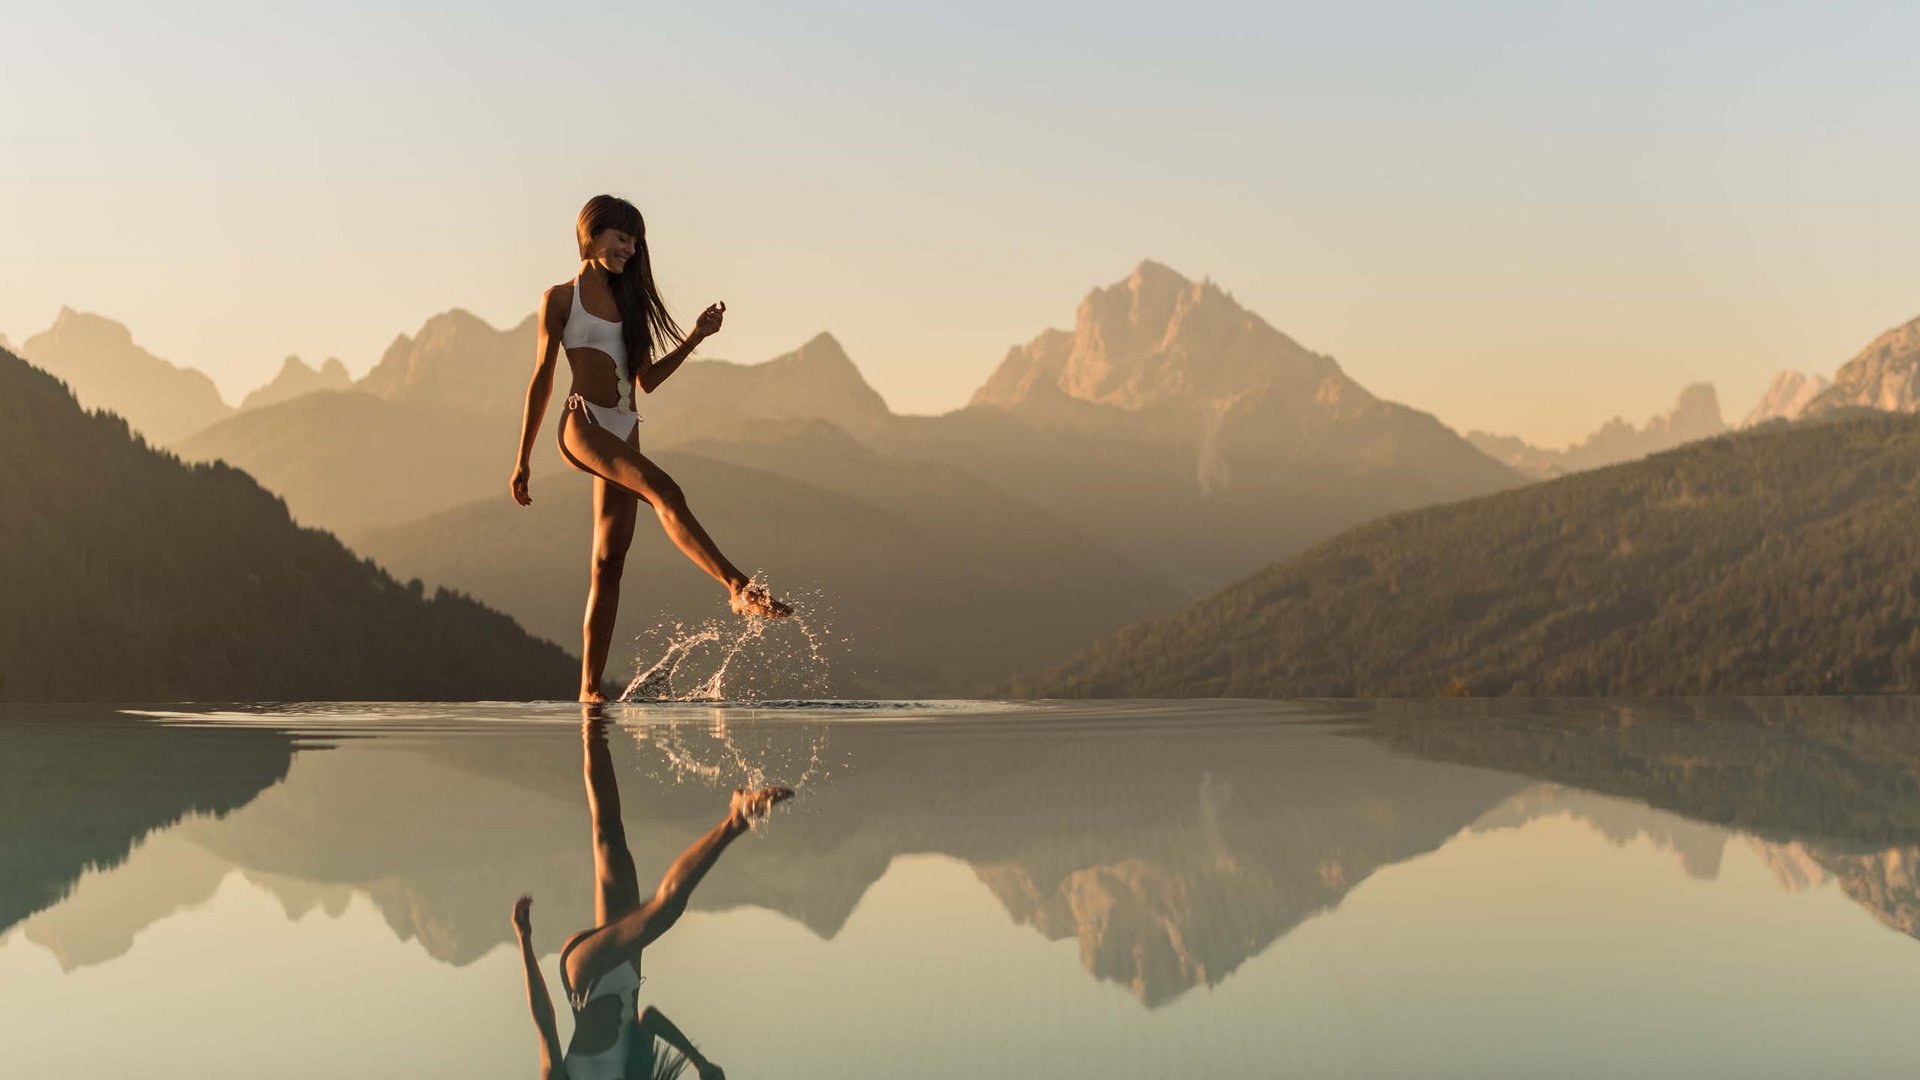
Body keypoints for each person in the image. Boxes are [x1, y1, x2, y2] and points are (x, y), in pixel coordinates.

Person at [511, 194, 791, 702]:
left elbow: (648, 380)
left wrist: (695, 337)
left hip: (626, 425)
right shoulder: (559, 298)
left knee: (608, 561)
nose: (630, 248)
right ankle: (735, 586)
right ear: (591, 235)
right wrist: (522, 459)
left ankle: (589, 691)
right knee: (665, 489)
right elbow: (542, 380)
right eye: (622, 237)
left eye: (635, 241)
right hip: (583, 423)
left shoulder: (629, 303)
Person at [513, 710, 793, 1079]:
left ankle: (736, 820)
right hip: (625, 971)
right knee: (610, 836)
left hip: (586, 976)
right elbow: (650, 1019)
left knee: (667, 910)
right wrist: (699, 1061)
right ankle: (591, 712)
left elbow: (546, 1026)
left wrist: (524, 940)